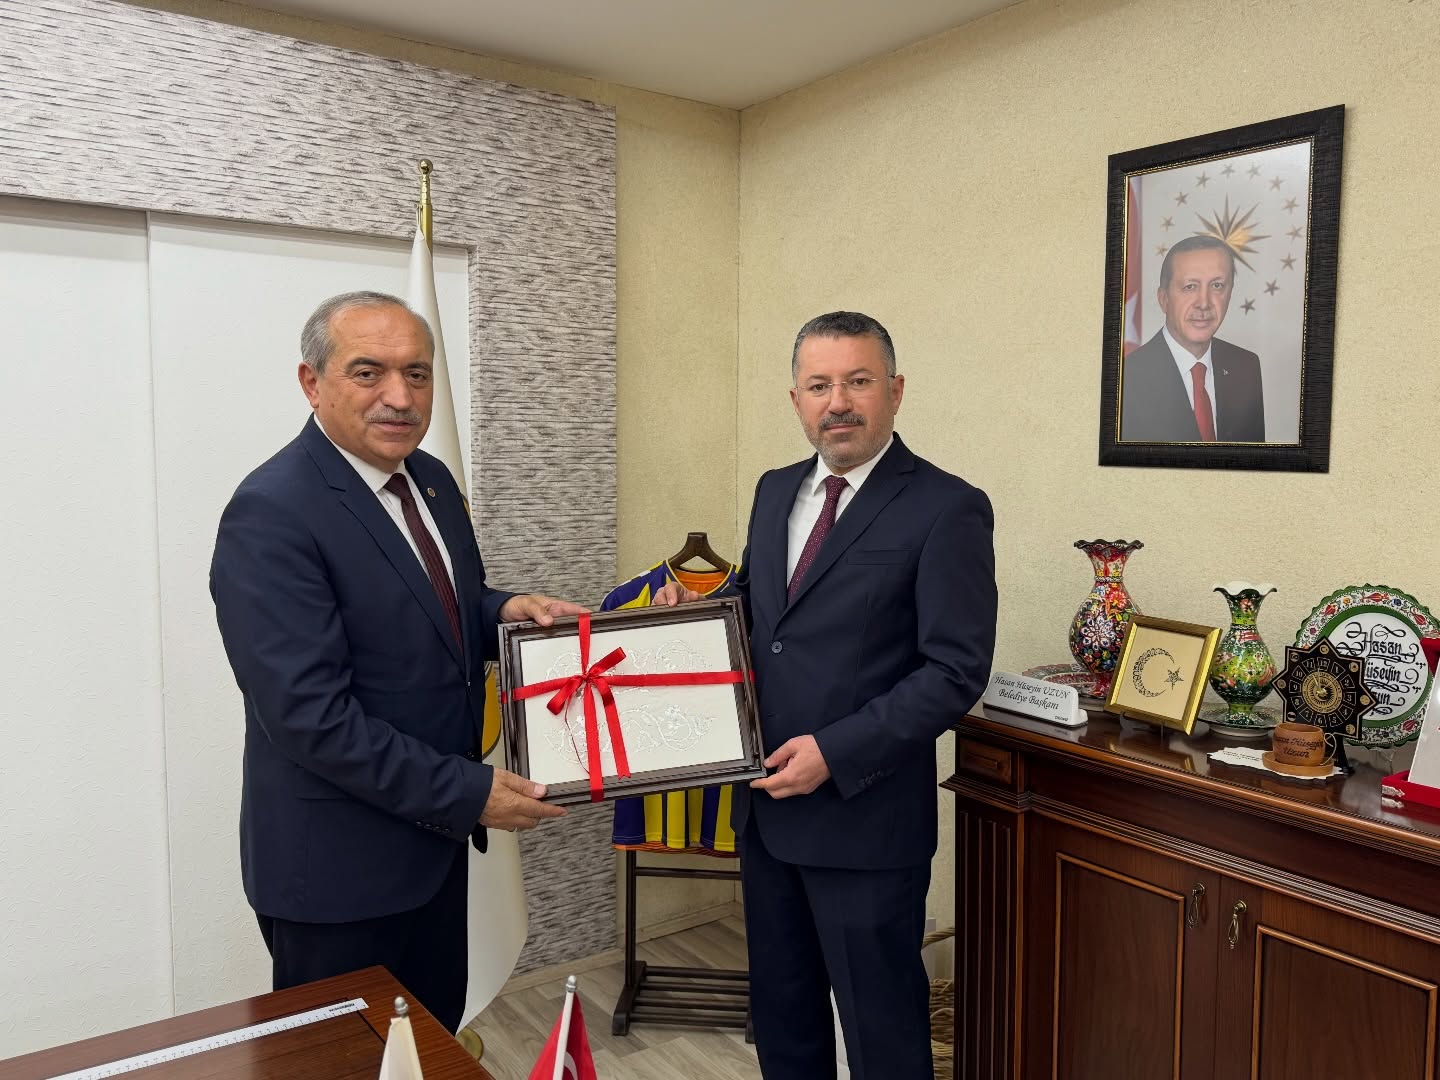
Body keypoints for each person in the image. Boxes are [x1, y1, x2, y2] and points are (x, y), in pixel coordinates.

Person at [210, 291, 580, 1032]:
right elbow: (310, 719)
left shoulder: (430, 480)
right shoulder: (273, 511)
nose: (400, 397)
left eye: (417, 373)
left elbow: (432, 613)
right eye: (368, 372)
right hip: (339, 874)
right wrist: (469, 791)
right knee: (345, 1063)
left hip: (431, 852)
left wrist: (500, 613)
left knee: (427, 1047)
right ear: (312, 383)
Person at [656, 311, 997, 1079]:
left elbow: (954, 671)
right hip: (767, 814)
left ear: (895, 391)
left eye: (857, 381)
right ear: (796, 400)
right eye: (818, 385)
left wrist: (834, 754)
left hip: (865, 824)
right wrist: (696, 617)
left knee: (882, 1041)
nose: (837, 401)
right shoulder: (776, 490)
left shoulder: (947, 506)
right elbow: (761, 612)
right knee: (786, 1026)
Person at [1120, 234, 1266, 443]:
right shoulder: (1127, 378)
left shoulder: (1246, 366)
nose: (1204, 303)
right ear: (1164, 299)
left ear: (1230, 294)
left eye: (1217, 286)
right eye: (1190, 286)